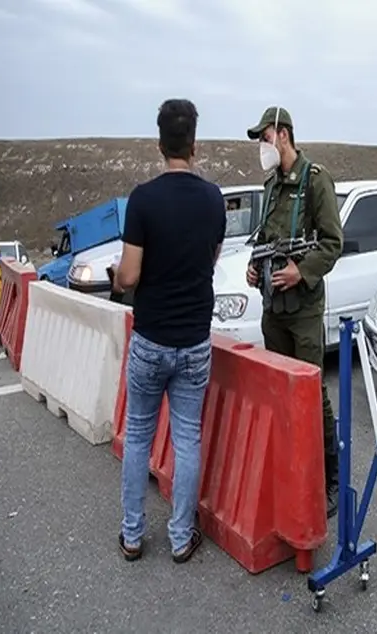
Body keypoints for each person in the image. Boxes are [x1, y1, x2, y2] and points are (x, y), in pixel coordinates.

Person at [111, 98, 226, 564]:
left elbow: (130, 276)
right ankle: (181, 537)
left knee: (138, 435)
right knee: (187, 439)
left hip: (151, 336)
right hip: (194, 341)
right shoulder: (214, 199)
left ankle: (133, 536)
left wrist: (119, 275)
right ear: (193, 145)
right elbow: (210, 260)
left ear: (160, 144)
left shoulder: (143, 199)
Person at [244, 106, 344, 518]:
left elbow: (332, 242)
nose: (262, 147)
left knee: (312, 392)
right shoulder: (270, 187)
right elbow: (266, 237)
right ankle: (292, 469)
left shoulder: (316, 181)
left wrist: (299, 272)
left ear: (282, 134)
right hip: (274, 309)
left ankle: (329, 478)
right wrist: (256, 267)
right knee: (280, 390)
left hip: (302, 311)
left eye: (265, 137)